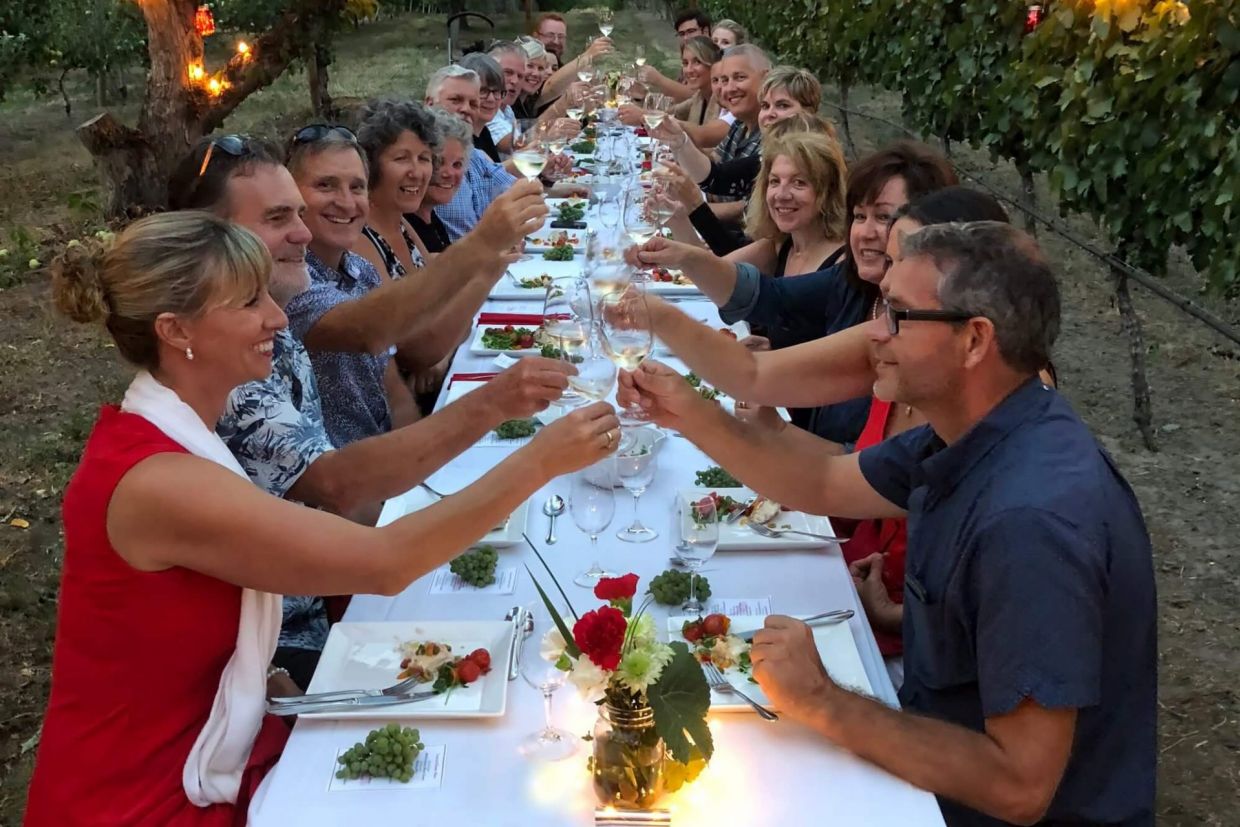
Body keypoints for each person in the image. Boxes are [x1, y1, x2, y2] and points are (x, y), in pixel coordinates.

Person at [26, 211, 620, 825]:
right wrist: (540, 461)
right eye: (250, 301)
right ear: (177, 330)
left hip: (217, 733)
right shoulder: (155, 480)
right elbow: (386, 563)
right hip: (143, 790)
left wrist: (269, 674)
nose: (278, 318)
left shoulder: (178, 430)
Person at [617, 222, 1156, 827]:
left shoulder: (1030, 524)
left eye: (897, 314)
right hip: (926, 761)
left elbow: (1018, 787)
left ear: (975, 340)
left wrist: (821, 701)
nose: (875, 332)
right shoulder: (975, 431)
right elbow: (819, 485)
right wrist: (687, 412)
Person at [166, 135, 562, 683]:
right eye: (283, 215)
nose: (304, 231)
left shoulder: (276, 320)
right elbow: (335, 485)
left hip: (342, 560)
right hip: (279, 637)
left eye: (302, 214)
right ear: (206, 233)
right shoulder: (222, 360)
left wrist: (426, 497)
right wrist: (502, 414)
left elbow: (392, 383)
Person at [634, 141, 957, 445]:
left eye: (885, 217)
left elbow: (864, 470)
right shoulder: (852, 284)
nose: (866, 233)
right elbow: (768, 298)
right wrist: (683, 256)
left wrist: (658, 317)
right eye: (860, 216)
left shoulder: (922, 334)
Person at [620, 37, 729, 150]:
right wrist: (640, 99)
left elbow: (704, 135)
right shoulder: (699, 97)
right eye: (685, 63)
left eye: (697, 62)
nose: (689, 70)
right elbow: (671, 113)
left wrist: (643, 116)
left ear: (713, 65)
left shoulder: (724, 100)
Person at [407, 110, 469, 255]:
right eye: (438, 162)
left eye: (457, 165)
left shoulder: (431, 218)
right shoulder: (405, 225)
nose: (449, 173)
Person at [460, 52, 510, 161]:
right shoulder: (460, 140)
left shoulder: (484, 133)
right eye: (483, 91)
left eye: (496, 91)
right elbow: (491, 174)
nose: (491, 99)